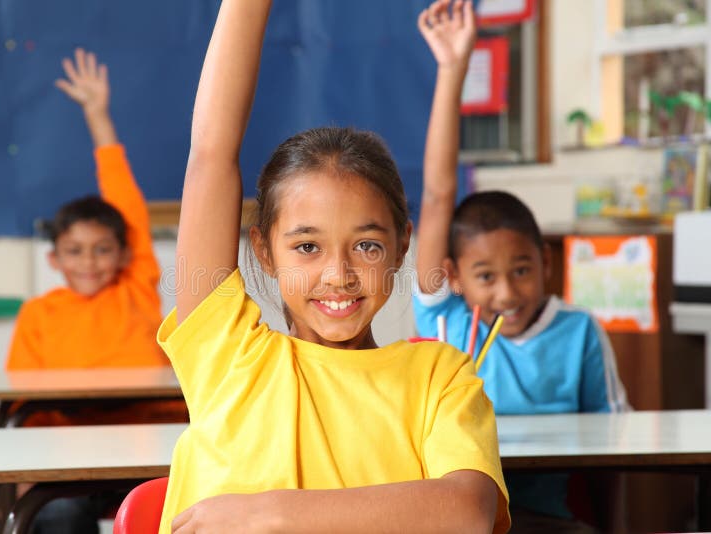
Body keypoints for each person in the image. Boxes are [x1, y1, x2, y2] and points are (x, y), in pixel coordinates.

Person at [156, 0, 510, 533]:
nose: (338, 274)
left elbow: (469, 511)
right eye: (306, 247)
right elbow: (210, 153)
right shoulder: (228, 358)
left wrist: (270, 513)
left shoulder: (439, 377)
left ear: (400, 248)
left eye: (366, 246)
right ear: (263, 251)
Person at [412, 4, 630, 530]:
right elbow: (439, 195)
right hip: (457, 521)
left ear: (546, 263)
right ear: (455, 277)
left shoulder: (579, 333)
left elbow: (620, 447)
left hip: (538, 520)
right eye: (485, 276)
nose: (508, 292)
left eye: (522, 270)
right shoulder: (445, 322)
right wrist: (452, 70)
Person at [5, 48, 185, 534]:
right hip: (69, 458)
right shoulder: (40, 313)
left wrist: (98, 116)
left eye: (103, 249)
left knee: (173, 513)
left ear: (125, 255)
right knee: (57, 514)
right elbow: (22, 404)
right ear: (54, 259)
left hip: (146, 448)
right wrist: (28, 472)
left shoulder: (135, 290)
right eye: (75, 251)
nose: (89, 262)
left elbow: (125, 202)